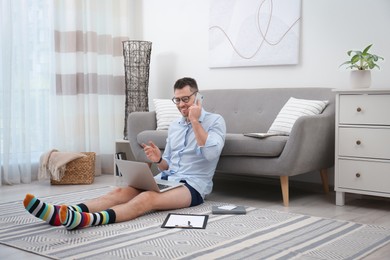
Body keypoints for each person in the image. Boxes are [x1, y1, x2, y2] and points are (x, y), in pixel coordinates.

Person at [23, 77, 226, 230]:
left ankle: (86, 220)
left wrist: (195, 121)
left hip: (193, 187)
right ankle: (62, 213)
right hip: (168, 179)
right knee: (119, 192)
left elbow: (209, 154)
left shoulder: (215, 121)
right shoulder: (174, 127)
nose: (182, 105)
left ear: (197, 97)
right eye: (177, 100)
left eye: (186, 99)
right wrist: (159, 160)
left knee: (146, 198)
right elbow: (168, 166)